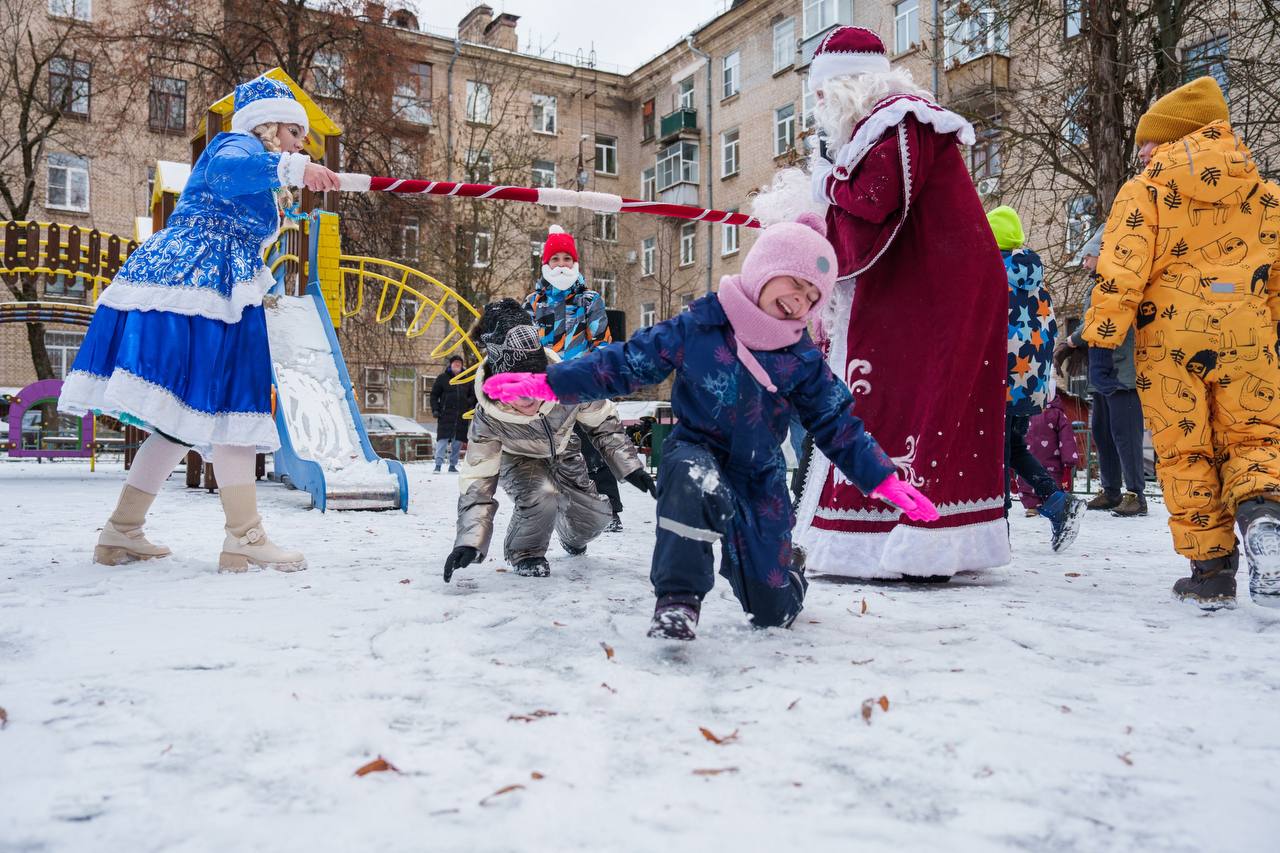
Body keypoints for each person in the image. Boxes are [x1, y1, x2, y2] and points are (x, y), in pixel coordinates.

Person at [484, 214, 939, 640]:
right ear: (764, 268)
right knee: (687, 479)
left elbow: (837, 423)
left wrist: (882, 478)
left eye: (812, 296)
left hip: (759, 475)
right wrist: (549, 382)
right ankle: (679, 599)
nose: (800, 298)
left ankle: (787, 576)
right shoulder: (702, 324)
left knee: (771, 612)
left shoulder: (802, 359)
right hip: (696, 446)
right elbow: (626, 363)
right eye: (795, 283)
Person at [752, 26, 1009, 582]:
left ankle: (904, 538)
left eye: (821, 92)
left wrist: (828, 184)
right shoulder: (888, 125)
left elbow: (872, 202)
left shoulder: (898, 120)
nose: (818, 106)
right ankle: (909, 537)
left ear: (846, 84)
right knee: (917, 402)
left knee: (909, 402)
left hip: (934, 290)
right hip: (931, 283)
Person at [59, 75, 340, 572]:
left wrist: (292, 173)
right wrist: (295, 166)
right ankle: (244, 538)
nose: (302, 142)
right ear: (269, 127)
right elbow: (233, 172)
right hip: (201, 284)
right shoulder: (235, 145)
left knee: (176, 423)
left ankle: (121, 532)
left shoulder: (260, 166)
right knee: (233, 402)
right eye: (296, 133)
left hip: (198, 282)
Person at [1077, 76, 1280, 609]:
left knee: (1183, 448)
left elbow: (1121, 268)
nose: (1142, 151)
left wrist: (1101, 330)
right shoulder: (1264, 192)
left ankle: (1211, 572)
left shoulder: (1143, 192)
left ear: (1173, 138)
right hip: (1249, 333)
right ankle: (1265, 520)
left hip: (1170, 340)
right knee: (1255, 434)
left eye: (1149, 140)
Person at [442, 300, 650, 581]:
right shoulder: (489, 417)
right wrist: (470, 540)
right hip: (518, 459)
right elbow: (478, 479)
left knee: (596, 517)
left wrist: (630, 467)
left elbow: (603, 422)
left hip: (564, 452)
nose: (529, 400)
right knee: (542, 495)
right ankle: (526, 553)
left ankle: (572, 535)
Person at [988, 205, 1085, 550]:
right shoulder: (1037, 281)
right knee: (1012, 447)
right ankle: (1058, 504)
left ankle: (997, 528)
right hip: (1028, 385)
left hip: (997, 381)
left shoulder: (991, 275)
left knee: (993, 454)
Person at [523, 225, 625, 530]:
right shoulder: (533, 303)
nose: (562, 264)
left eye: (568, 258)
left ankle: (610, 509)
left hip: (582, 386)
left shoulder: (590, 300)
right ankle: (553, 511)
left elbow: (601, 342)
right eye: (556, 259)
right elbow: (526, 344)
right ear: (546, 264)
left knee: (592, 450)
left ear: (575, 264)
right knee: (550, 453)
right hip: (546, 391)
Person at [1056, 226, 1148, 516]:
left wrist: (1071, 340)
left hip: (1122, 375)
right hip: (1102, 374)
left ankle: (1135, 494)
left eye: (1087, 257)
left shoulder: (1118, 284)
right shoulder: (1097, 285)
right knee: (1103, 434)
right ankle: (1111, 491)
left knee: (1125, 435)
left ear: (1102, 255)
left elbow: (1102, 320)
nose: (1083, 263)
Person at [1016, 394, 1081, 516]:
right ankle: (1032, 504)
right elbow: (1015, 438)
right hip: (1027, 459)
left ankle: (1054, 504)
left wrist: (1068, 462)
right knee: (1027, 480)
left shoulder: (1057, 415)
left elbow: (1067, 439)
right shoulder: (1025, 412)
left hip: (1052, 462)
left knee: (1051, 481)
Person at [430, 354, 474, 473]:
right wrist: (436, 409)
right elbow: (434, 395)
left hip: (461, 416)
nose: (457, 365)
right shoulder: (443, 378)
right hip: (445, 415)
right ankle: (438, 465)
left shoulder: (466, 379)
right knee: (442, 441)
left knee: (457, 442)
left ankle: (452, 465)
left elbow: (473, 395)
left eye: (459, 364)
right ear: (451, 365)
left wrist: (468, 404)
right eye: (455, 363)